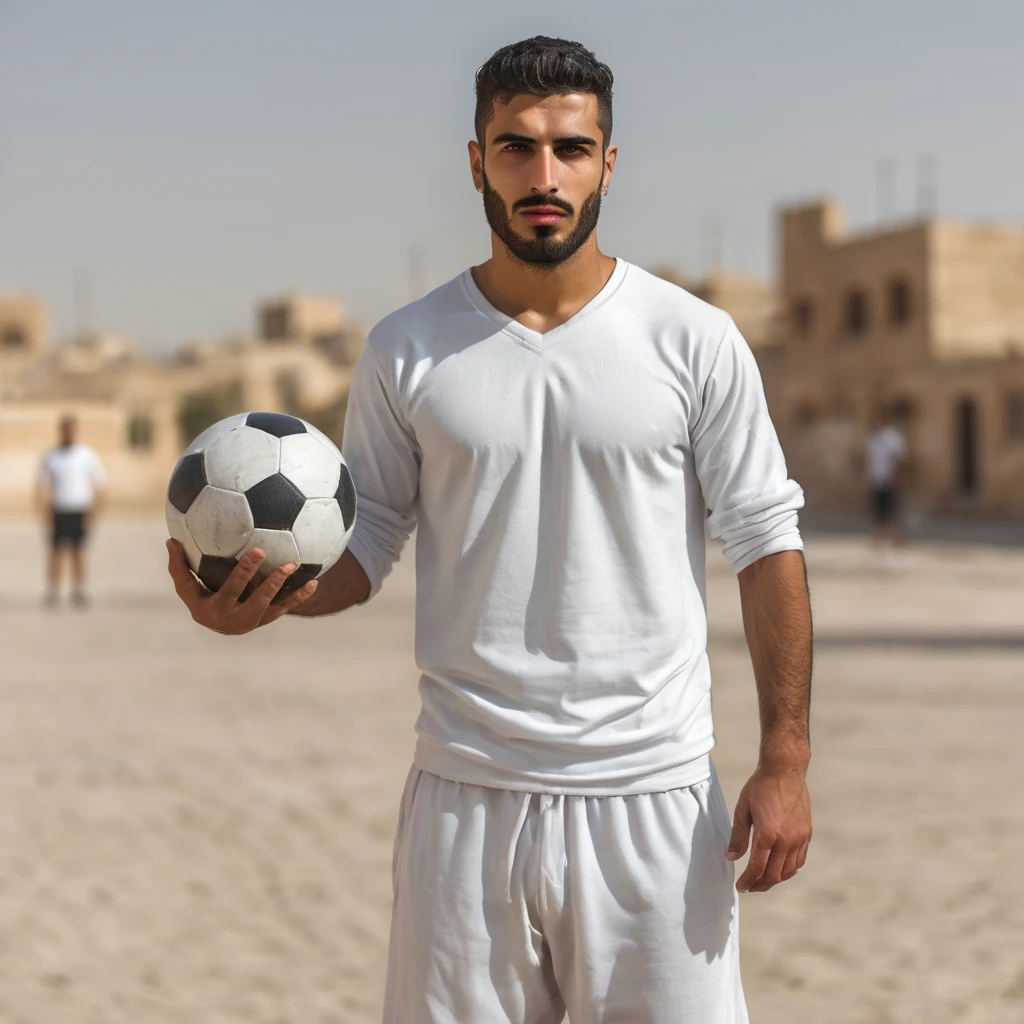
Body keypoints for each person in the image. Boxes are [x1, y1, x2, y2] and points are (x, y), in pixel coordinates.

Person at [167, 37, 813, 1024]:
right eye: (515, 148)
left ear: (607, 161)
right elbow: (366, 540)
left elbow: (766, 544)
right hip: (465, 798)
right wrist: (269, 599)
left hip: (653, 795)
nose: (542, 175)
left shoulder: (692, 340)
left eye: (569, 148)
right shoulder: (407, 347)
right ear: (475, 161)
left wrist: (786, 761)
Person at [36, 414, 106, 606]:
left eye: (72, 428)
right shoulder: (52, 456)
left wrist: (94, 513)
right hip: (59, 508)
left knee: (78, 551)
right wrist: (44, 511)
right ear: (61, 430)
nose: (69, 432)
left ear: (76, 430)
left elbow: (99, 485)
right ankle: (53, 590)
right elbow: (42, 485)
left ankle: (79, 589)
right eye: (65, 428)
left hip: (79, 509)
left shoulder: (86, 455)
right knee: (56, 551)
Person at [865, 406, 907, 547]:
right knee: (877, 510)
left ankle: (897, 538)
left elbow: (897, 458)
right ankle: (877, 539)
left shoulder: (891, 437)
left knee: (892, 510)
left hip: (888, 479)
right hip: (876, 479)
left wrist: (896, 477)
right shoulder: (872, 439)